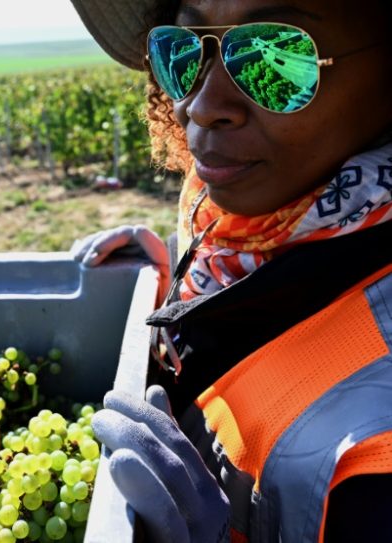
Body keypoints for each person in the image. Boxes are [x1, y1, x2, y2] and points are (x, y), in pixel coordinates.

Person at [68, 0, 392, 541]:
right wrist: (181, 278)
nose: (200, 103)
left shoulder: (376, 463)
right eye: (184, 51)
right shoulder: (248, 224)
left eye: (275, 53)